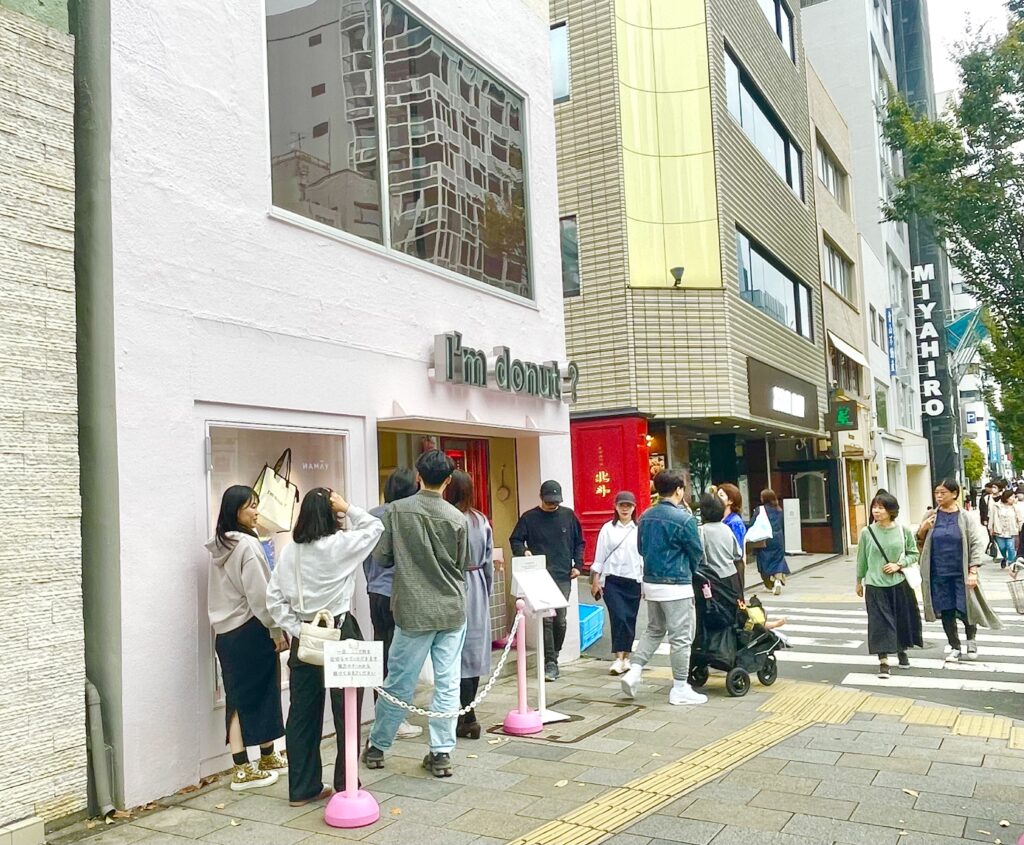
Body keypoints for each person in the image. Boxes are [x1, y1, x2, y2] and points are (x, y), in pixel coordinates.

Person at [266, 488, 384, 806]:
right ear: (332, 515)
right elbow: (375, 528)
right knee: (347, 709)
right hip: (340, 629)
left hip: (306, 635)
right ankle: (346, 782)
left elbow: (273, 598)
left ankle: (302, 788)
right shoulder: (339, 546)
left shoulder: (290, 551)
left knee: (302, 713)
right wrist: (349, 507)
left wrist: (296, 628)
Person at [363, 450, 469, 778]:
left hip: (412, 610)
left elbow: (382, 558)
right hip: (451, 608)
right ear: (448, 480)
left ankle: (379, 746)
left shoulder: (396, 511)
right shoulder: (457, 518)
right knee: (448, 681)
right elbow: (461, 563)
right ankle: (441, 752)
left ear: (419, 477)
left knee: (400, 679)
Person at [206, 485, 288, 792]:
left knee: (241, 695)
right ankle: (242, 768)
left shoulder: (220, 545)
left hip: (226, 634)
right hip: (251, 629)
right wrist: (276, 629)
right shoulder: (248, 547)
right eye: (250, 506)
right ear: (235, 511)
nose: (256, 511)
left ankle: (264, 757)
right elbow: (260, 596)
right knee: (254, 696)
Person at [620, 469, 707, 707]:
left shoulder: (646, 516)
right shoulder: (684, 519)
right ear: (679, 490)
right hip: (677, 585)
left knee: (654, 629)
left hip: (651, 582)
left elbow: (640, 548)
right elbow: (697, 552)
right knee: (680, 637)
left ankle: (634, 671)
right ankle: (680, 687)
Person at [363, 468, 423, 740]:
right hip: (399, 594)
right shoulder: (405, 515)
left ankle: (383, 715)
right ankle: (394, 720)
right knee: (399, 659)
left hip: (375, 591)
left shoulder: (372, 515)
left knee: (382, 654)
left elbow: (365, 555)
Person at [916, 478, 1002, 663]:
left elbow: (975, 544)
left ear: (954, 494)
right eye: (936, 493)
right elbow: (919, 543)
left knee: (966, 609)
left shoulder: (965, 517)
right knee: (946, 611)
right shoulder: (931, 516)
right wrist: (922, 529)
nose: (939, 496)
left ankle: (971, 640)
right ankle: (954, 646)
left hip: (961, 572)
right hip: (938, 572)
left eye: (943, 493)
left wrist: (973, 571)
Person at [509, 480, 585, 681]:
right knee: (547, 620)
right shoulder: (529, 518)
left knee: (560, 619)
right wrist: (523, 551)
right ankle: (550, 663)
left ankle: (555, 655)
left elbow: (580, 542)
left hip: (563, 575)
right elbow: (515, 539)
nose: (553, 505)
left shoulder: (568, 516)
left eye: (556, 502)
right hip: (539, 576)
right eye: (549, 501)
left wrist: (578, 565)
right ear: (541, 497)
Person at [444, 470, 494, 740]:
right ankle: (469, 713)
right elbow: (487, 561)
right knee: (473, 651)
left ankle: (459, 712)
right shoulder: (480, 520)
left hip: (451, 584)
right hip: (475, 584)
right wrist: (485, 590)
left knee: (453, 652)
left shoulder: (445, 518)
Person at [854, 492, 923, 679]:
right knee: (879, 623)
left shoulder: (903, 530)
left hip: (899, 583)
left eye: (880, 508)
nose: (876, 511)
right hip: (875, 584)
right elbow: (862, 559)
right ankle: (883, 661)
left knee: (900, 619)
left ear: (891, 510)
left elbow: (913, 553)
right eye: (874, 507)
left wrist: (898, 565)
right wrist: (859, 581)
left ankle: (902, 651)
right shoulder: (867, 532)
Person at [590, 491, 643, 676]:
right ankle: (618, 658)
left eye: (628, 505)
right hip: (612, 580)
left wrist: (645, 582)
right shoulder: (607, 529)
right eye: (622, 505)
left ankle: (626, 657)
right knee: (618, 617)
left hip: (633, 580)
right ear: (616, 506)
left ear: (634, 507)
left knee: (630, 619)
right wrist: (596, 579)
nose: (625, 509)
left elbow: (643, 558)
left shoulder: (639, 529)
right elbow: (600, 556)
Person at [698, 493, 744, 595]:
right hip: (732, 576)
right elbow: (737, 554)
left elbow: (700, 557)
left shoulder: (701, 531)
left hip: (713, 578)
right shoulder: (726, 528)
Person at [752, 489, 789, 595]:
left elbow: (752, 523)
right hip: (778, 539)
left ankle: (769, 584)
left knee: (763, 560)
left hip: (765, 539)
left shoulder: (760, 510)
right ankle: (778, 580)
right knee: (778, 560)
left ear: (764, 498)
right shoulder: (779, 510)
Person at [716, 483, 746, 588]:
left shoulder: (734, 522)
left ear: (730, 501)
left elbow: (737, 550)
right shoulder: (720, 520)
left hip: (732, 567)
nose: (717, 498)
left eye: (721, 495)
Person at [989, 489, 1022, 568]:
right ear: (1007, 498)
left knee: (1010, 547)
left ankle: (1011, 563)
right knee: (1002, 547)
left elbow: (1019, 519)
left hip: (1011, 530)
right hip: (999, 531)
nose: (1014, 499)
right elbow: (991, 518)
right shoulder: (996, 506)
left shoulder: (1015, 507)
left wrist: (1020, 528)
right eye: (1012, 497)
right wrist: (990, 528)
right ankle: (1005, 557)